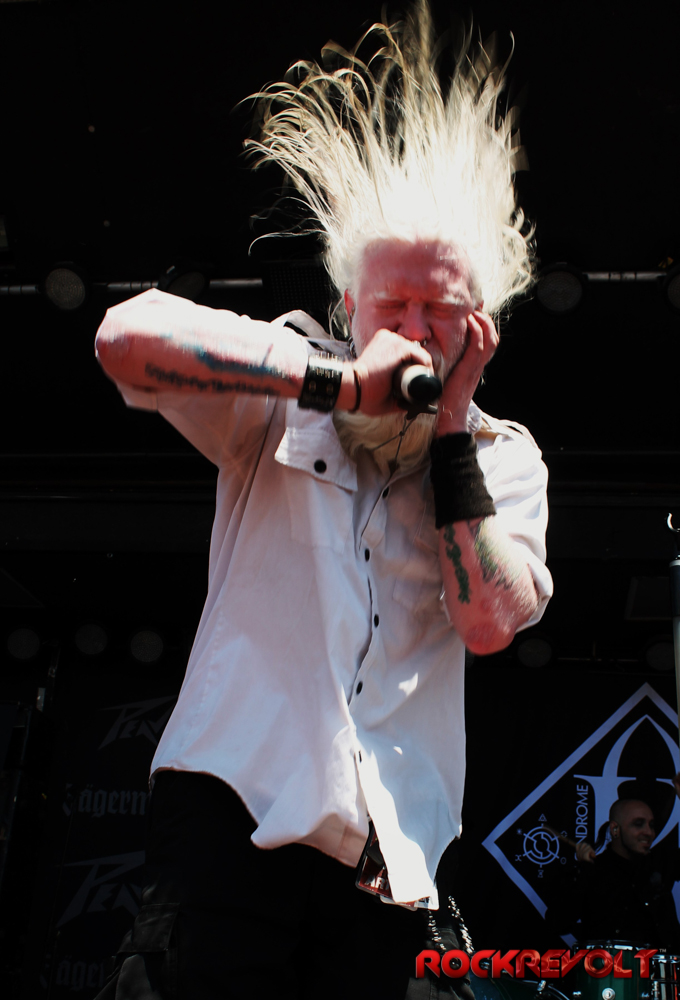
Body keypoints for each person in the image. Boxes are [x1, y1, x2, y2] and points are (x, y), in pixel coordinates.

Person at [94, 3, 552, 997]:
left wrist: (448, 431)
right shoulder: (285, 375)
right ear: (351, 304)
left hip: (386, 860)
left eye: (440, 308)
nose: (414, 327)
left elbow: (488, 622)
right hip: (235, 817)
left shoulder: (504, 456)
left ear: (478, 323)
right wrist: (338, 383)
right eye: (393, 304)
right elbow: (124, 339)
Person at [551, 778, 680, 949]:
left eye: (651, 825)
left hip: (662, 965)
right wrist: (582, 872)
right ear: (615, 829)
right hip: (608, 965)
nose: (648, 832)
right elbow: (558, 923)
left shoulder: (661, 863)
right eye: (638, 824)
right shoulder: (593, 871)